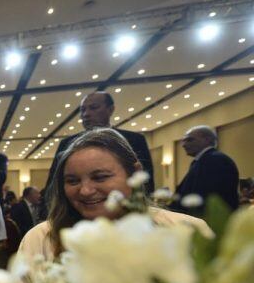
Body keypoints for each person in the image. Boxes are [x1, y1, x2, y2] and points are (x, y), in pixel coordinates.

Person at [21, 128, 208, 261]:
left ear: (134, 173)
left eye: (100, 177)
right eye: (73, 181)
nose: (85, 190)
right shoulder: (41, 239)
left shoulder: (187, 230)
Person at [45, 92, 154, 197]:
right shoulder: (67, 144)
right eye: (83, 110)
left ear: (110, 110)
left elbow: (146, 183)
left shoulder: (134, 140)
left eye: (93, 108)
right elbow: (53, 185)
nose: (86, 114)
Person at [170, 125, 239, 214]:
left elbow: (206, 198)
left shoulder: (215, 160)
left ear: (207, 140)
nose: (183, 145)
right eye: (183, 141)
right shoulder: (203, 160)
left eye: (189, 140)